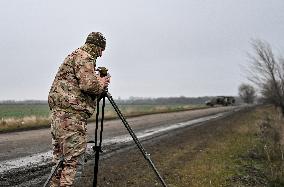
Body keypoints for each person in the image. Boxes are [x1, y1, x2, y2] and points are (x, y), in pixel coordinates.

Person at [48, 32, 110, 187]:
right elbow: (88, 85)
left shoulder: (75, 55)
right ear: (97, 47)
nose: (101, 55)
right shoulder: (85, 56)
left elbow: (79, 86)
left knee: (59, 163)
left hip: (59, 117)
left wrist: (97, 84)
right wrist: (101, 83)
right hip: (71, 119)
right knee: (73, 163)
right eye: (101, 50)